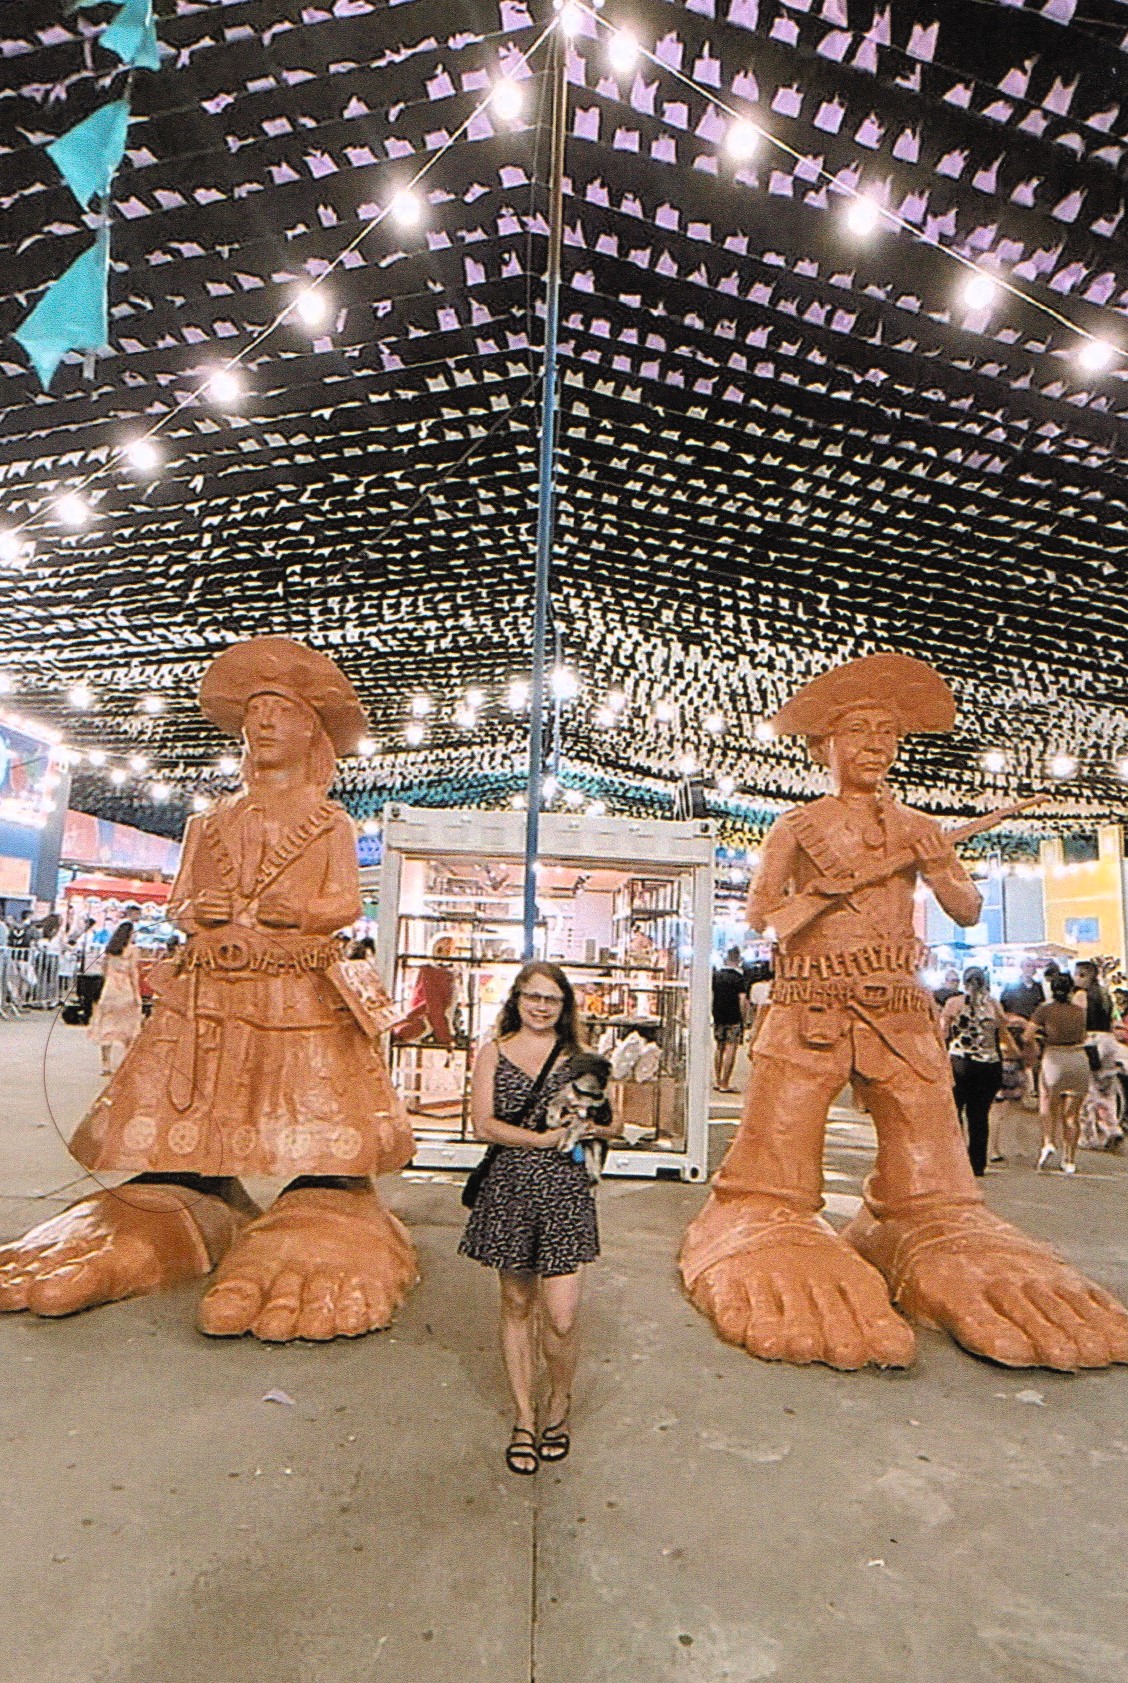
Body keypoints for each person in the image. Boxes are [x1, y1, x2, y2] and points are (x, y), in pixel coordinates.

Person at [679, 651, 1128, 1371]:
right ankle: (758, 1216)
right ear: (824, 745)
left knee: (935, 1179)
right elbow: (764, 916)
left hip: (899, 1009)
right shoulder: (797, 828)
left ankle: (925, 1222)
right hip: (809, 1006)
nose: (874, 745)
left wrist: (940, 859)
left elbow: (967, 907)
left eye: (886, 733)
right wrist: (819, 897)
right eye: (857, 730)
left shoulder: (916, 824)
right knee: (769, 1172)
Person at [1, 637, 416, 1344]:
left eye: (281, 710)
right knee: (197, 1104)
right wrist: (202, 913)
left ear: (311, 730)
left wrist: (303, 915)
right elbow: (183, 899)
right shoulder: (208, 821)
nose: (263, 723)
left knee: (304, 1110)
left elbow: (344, 900)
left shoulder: (330, 822)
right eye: (254, 710)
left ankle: (331, 1196)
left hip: (294, 992)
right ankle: (186, 1195)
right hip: (212, 989)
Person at [460, 961, 620, 1475]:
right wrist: (541, 1140)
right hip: (510, 1189)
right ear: (517, 998)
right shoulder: (494, 1053)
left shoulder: (579, 1058)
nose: (541, 1006)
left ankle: (560, 1403)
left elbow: (615, 1120)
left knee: (562, 1316)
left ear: (564, 1005)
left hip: (565, 1193)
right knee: (516, 1303)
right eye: (533, 996)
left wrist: (590, 1130)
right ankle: (526, 1420)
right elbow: (483, 1124)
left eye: (552, 999)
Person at [940, 967, 1016, 1177]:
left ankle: (954, 1160)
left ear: (964, 983)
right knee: (979, 1115)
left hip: (960, 1063)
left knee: (955, 1113)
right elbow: (1002, 1030)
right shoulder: (993, 1005)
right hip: (988, 1064)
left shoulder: (953, 1004)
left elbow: (943, 1033)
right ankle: (977, 1164)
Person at [1025, 973, 1088, 1174]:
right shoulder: (1079, 1012)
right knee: (1072, 1115)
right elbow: (1083, 1035)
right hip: (1078, 1058)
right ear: (1071, 990)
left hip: (1054, 1057)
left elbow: (1027, 1035)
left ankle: (1049, 1142)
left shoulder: (1044, 1010)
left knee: (1047, 1105)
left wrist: (1038, 1041)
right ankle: (1069, 1159)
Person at [86, 920, 143, 1076]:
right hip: (125, 990)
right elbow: (133, 974)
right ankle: (125, 1063)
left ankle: (106, 1064)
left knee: (107, 1027)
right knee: (128, 1028)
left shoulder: (110, 949)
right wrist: (137, 995)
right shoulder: (133, 950)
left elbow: (104, 970)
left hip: (109, 990)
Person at [711, 945, 749, 1091]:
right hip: (733, 1016)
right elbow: (742, 999)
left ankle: (717, 1079)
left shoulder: (717, 976)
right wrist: (743, 1019)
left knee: (719, 1047)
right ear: (738, 959)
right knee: (731, 1048)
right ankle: (725, 1083)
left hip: (718, 1014)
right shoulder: (739, 978)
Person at [1073, 960, 1113, 1033]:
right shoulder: (1102, 991)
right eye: (1075, 974)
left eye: (1082, 975)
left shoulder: (1086, 995)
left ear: (1092, 976)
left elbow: (1089, 1022)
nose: (1076, 978)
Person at [1001, 956, 1044, 1023]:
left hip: (1031, 1024)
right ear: (1022, 967)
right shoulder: (1010, 985)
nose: (1031, 968)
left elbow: (1041, 1005)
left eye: (1033, 966)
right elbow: (1003, 1005)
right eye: (1028, 966)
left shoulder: (1038, 986)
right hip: (1015, 1023)